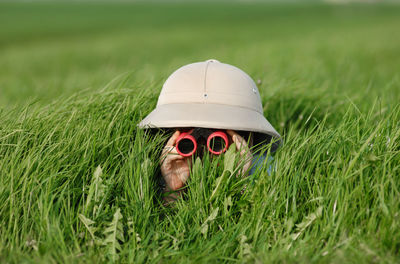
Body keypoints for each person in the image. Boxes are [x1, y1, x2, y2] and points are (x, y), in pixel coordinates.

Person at [138, 59, 281, 203]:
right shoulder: (156, 168)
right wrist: (173, 189)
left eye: (217, 140)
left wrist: (238, 180)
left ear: (244, 135)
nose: (204, 145)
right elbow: (160, 223)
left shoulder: (266, 169)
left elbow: (260, 221)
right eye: (188, 132)